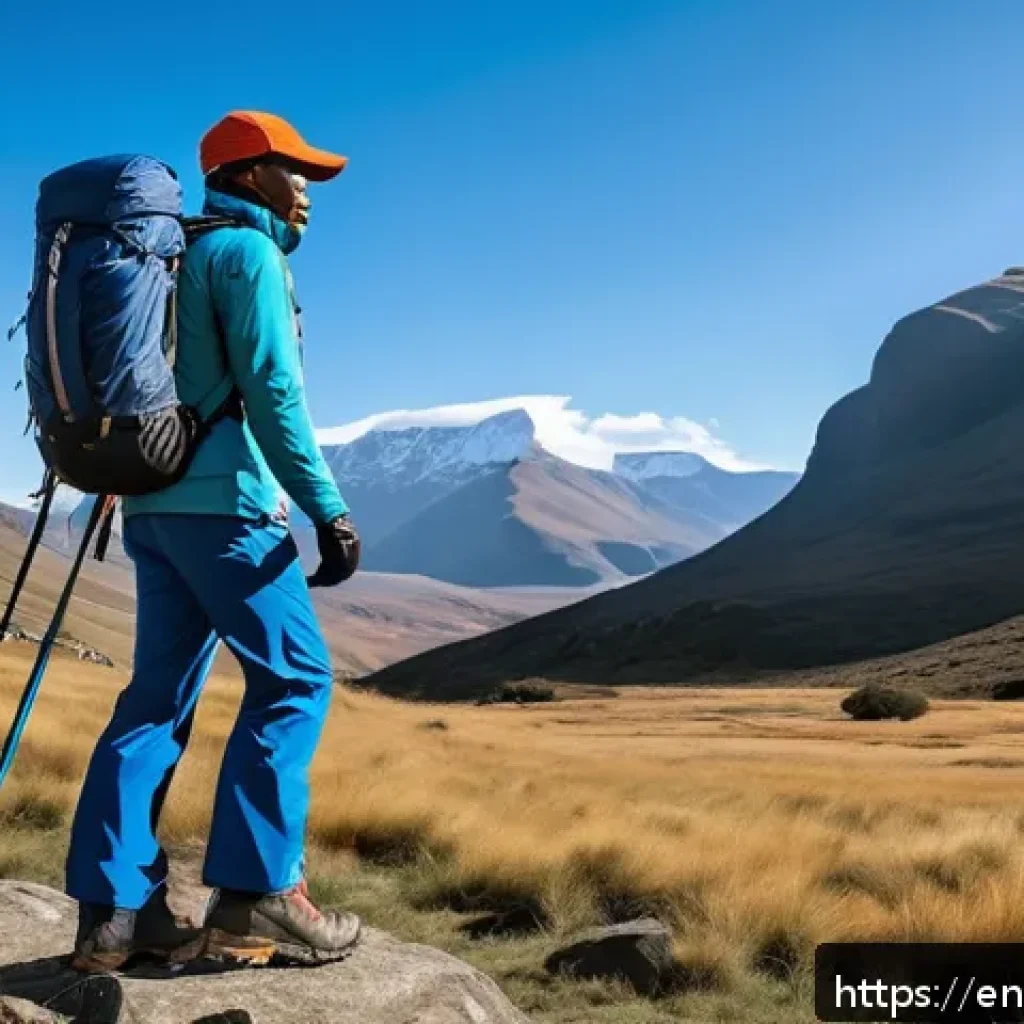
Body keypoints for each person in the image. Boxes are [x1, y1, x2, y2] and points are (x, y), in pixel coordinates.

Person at [65, 111, 362, 971]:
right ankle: (258, 894)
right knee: (296, 679)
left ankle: (116, 917)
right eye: (293, 169)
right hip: (228, 509)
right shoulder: (247, 255)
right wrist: (326, 509)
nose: (306, 188)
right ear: (246, 174)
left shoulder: (168, 256)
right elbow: (271, 391)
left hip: (150, 511)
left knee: (154, 699)